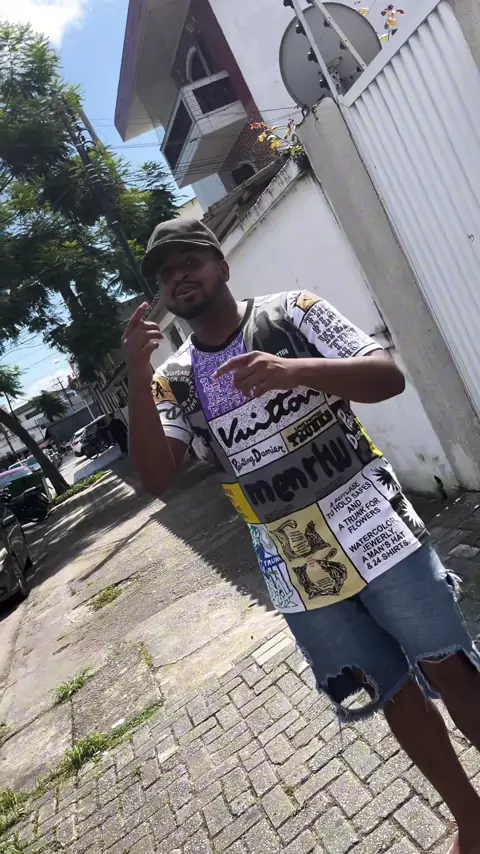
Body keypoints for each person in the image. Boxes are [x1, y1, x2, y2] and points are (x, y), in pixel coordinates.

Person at [123, 218, 480, 854]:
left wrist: (295, 371)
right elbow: (156, 478)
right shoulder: (171, 380)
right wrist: (133, 373)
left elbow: (386, 376)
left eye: (189, 261)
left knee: (447, 663)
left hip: (372, 523)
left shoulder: (292, 313)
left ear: (221, 266)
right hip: (295, 562)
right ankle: (471, 819)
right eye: (165, 274)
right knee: (391, 690)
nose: (178, 277)